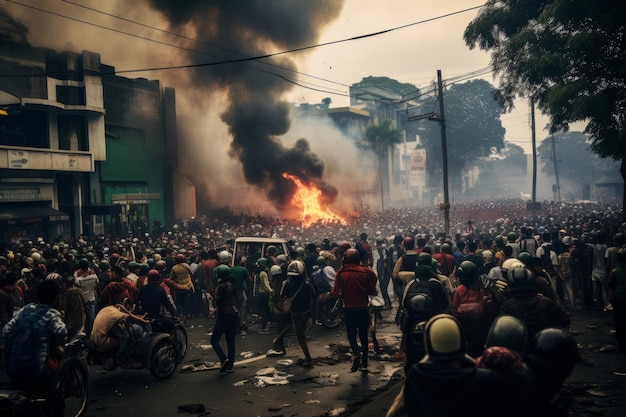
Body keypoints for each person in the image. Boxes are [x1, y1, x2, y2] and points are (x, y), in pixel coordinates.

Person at [1, 280, 68, 416]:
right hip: (35, 368)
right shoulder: (52, 314)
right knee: (54, 387)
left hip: (11, 365)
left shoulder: (26, 309)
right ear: (56, 298)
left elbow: (6, 330)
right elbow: (62, 332)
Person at [333, 248, 378, 372]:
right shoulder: (364, 273)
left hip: (348, 309)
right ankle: (364, 364)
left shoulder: (341, 273)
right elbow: (372, 291)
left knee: (352, 335)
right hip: (363, 309)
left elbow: (335, 293)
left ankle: (356, 354)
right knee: (363, 336)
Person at [272, 260, 315, 367]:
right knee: (300, 335)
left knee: (298, 334)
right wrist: (311, 316)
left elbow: (281, 297)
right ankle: (278, 340)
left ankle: (308, 359)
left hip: (293, 312)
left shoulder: (287, 283)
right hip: (304, 313)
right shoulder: (307, 284)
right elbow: (312, 301)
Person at [90, 300, 152, 369]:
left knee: (120, 335)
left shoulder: (108, 308)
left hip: (93, 337)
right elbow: (132, 318)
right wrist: (145, 321)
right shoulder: (118, 314)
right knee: (126, 338)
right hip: (102, 341)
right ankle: (122, 358)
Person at [210, 265, 239, 373]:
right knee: (230, 341)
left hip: (223, 315)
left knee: (214, 340)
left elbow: (218, 301)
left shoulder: (220, 287)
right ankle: (230, 365)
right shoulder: (232, 285)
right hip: (234, 314)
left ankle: (223, 358)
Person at [607, 245, 626, 351]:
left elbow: (611, 284)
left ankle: (621, 344)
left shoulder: (616, 271)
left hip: (619, 298)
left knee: (619, 322)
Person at [74, 258, 99, 336]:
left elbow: (76, 288)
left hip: (81, 301)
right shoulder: (94, 276)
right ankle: (91, 335)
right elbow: (97, 287)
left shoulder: (77, 278)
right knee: (91, 319)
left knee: (82, 319)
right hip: (92, 299)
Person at [60, 273, 89, 341]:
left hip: (71, 322)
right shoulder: (78, 290)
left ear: (65, 284)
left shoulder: (67, 294)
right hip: (80, 320)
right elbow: (86, 302)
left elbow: (65, 309)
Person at [169, 254, 194, 324]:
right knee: (187, 304)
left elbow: (171, 277)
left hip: (179, 288)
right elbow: (191, 273)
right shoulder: (186, 266)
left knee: (179, 303)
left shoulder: (174, 268)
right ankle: (184, 320)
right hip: (188, 287)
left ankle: (179, 318)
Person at [255, 257, 272, 334]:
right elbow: (266, 283)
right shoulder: (263, 273)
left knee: (262, 310)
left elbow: (257, 285)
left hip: (260, 294)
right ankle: (265, 326)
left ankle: (264, 326)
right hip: (264, 293)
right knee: (265, 310)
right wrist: (271, 290)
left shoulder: (259, 274)